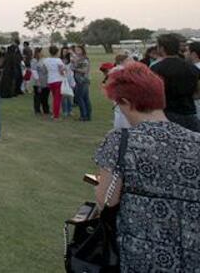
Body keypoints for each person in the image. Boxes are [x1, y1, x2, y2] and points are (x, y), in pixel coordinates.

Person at [93, 62, 200, 271]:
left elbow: (107, 199)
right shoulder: (196, 140)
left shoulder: (121, 141)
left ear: (125, 102)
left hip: (142, 250)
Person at [150, 33, 200, 132]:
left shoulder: (156, 68)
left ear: (162, 48)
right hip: (190, 113)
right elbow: (198, 92)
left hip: (168, 114)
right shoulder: (192, 67)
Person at [42, 45, 66, 121]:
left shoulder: (46, 60)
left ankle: (54, 114)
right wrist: (65, 72)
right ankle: (56, 116)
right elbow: (61, 72)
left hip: (50, 80)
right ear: (57, 52)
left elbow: (44, 71)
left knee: (54, 98)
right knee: (57, 99)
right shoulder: (58, 60)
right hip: (58, 80)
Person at [71, 45, 92, 121]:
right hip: (80, 80)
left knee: (80, 98)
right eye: (76, 50)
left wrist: (74, 68)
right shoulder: (79, 59)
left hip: (82, 80)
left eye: (78, 50)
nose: (77, 51)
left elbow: (84, 70)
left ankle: (84, 116)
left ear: (82, 50)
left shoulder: (84, 59)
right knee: (85, 98)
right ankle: (87, 116)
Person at [31, 47, 50, 115]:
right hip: (38, 81)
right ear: (38, 53)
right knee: (38, 96)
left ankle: (46, 110)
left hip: (46, 81)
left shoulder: (45, 60)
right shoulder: (34, 61)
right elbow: (34, 71)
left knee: (45, 96)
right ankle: (37, 110)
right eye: (42, 51)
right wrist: (38, 81)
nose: (44, 53)